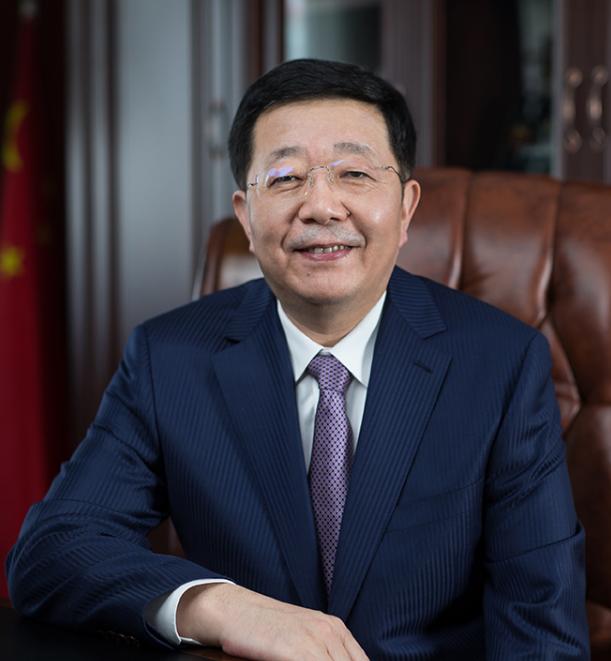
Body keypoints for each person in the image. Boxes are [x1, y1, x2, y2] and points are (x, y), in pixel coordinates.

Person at [7, 59, 589, 660]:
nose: (322, 206)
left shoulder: (501, 364)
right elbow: (50, 554)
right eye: (286, 178)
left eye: (354, 173)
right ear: (245, 216)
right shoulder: (170, 359)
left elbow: (542, 631)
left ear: (406, 208)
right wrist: (221, 607)